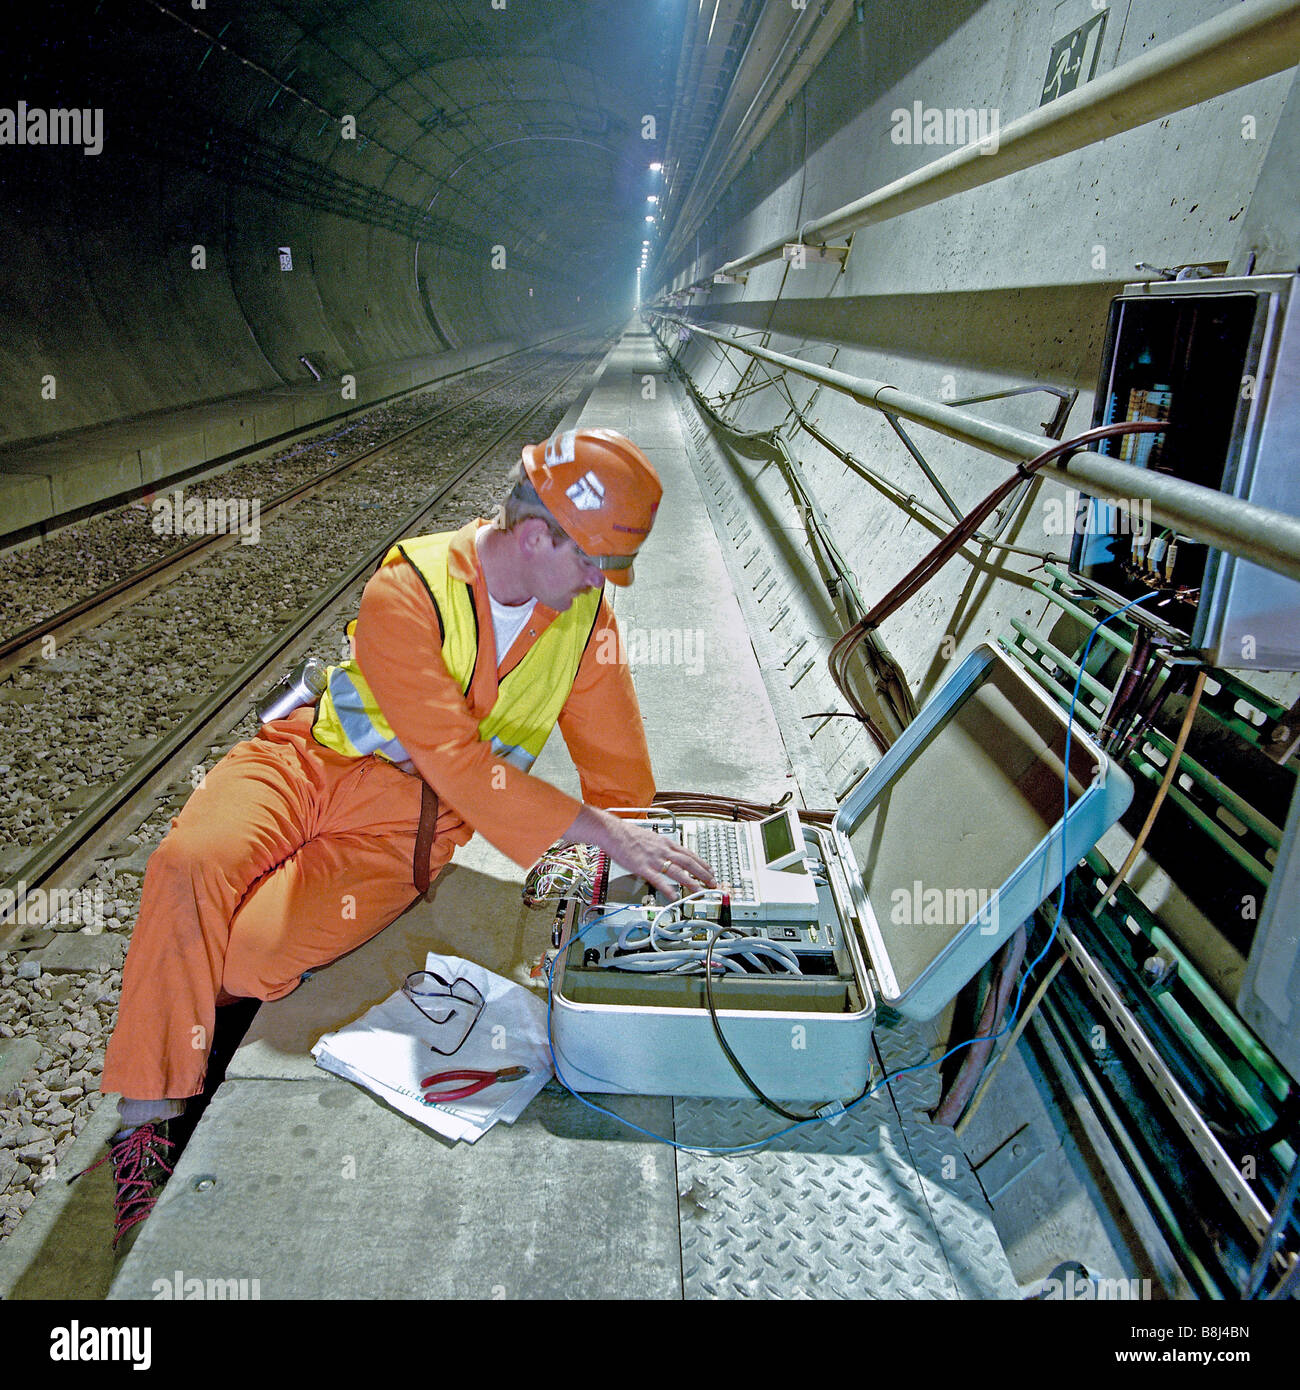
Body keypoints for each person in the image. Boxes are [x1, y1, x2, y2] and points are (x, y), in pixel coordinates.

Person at [87, 426, 714, 1245]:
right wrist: (589, 829)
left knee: (252, 958)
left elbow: (617, 763)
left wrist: (635, 877)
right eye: (592, 562)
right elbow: (453, 757)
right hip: (305, 763)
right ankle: (147, 1120)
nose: (600, 583)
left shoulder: (584, 620)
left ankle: (191, 1019)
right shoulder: (408, 590)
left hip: (400, 833)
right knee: (185, 865)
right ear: (535, 537)